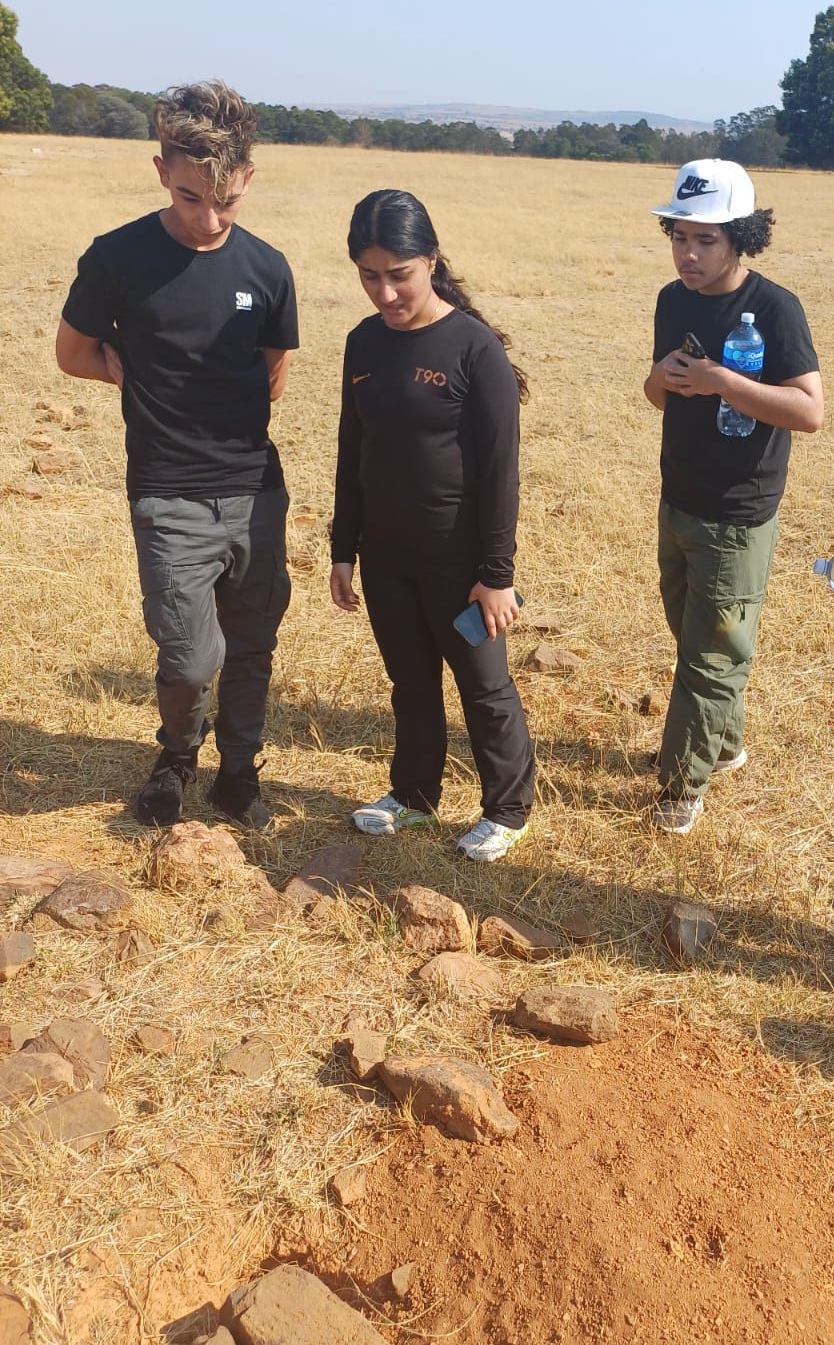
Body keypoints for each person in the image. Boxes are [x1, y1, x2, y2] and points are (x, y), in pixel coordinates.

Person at [56, 81, 298, 829]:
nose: (209, 217)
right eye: (193, 197)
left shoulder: (268, 269)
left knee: (253, 647)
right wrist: (126, 372)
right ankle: (175, 755)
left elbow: (273, 378)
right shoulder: (116, 257)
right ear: (162, 171)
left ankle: (238, 772)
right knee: (190, 659)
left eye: (225, 200)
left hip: (255, 494)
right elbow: (72, 354)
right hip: (165, 494)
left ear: (248, 180)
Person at [330, 190, 535, 864]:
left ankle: (508, 808)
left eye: (400, 274)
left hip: (458, 558)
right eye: (369, 274)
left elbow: (501, 472)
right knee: (410, 682)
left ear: (432, 261)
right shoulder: (363, 342)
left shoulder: (474, 350)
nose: (384, 291)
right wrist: (343, 549)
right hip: (387, 555)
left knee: (484, 686)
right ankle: (415, 796)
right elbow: (351, 450)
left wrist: (495, 576)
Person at [644, 158, 824, 833]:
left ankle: (681, 784)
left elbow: (809, 412)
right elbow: (657, 395)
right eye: (679, 237)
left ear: (741, 237)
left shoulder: (776, 310)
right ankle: (723, 745)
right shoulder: (672, 299)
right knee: (697, 636)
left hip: (739, 511)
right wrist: (661, 378)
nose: (688, 255)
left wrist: (725, 382)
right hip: (679, 496)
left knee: (709, 654)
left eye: (706, 240)